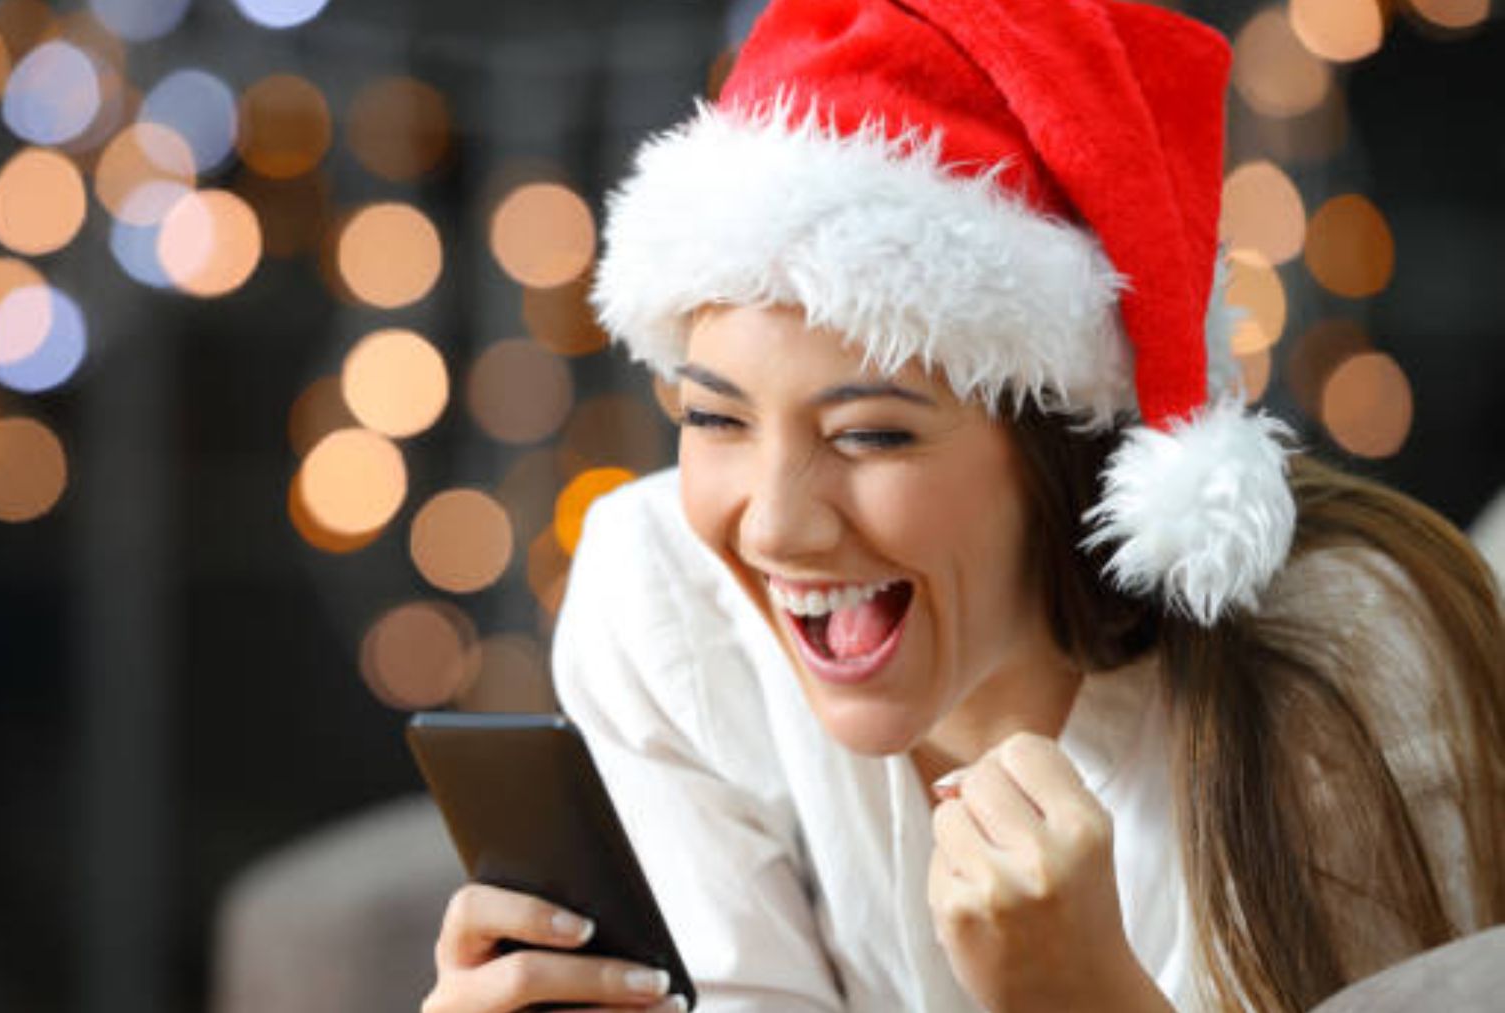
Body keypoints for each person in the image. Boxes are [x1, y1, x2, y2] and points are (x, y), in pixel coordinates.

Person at [422, 1, 1505, 1010]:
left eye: (871, 434)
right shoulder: (658, 596)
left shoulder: (1338, 667)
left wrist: (1085, 994)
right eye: (715, 418)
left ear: (1062, 445)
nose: (772, 526)